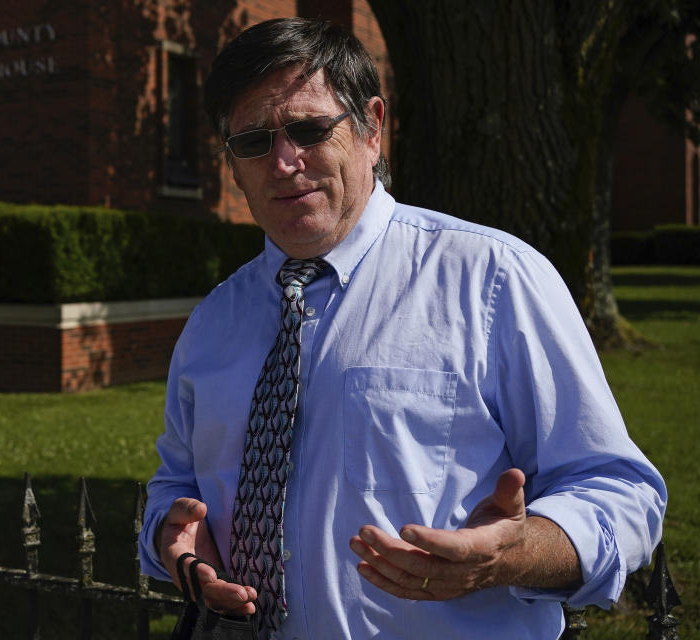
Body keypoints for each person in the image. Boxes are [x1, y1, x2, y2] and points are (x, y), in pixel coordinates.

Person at [139, 17, 666, 640]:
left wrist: (512, 554)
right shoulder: (212, 322)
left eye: (309, 129)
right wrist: (173, 539)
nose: (284, 162)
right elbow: (176, 482)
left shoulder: (492, 280)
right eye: (253, 141)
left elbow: (619, 492)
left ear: (372, 129)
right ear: (232, 163)